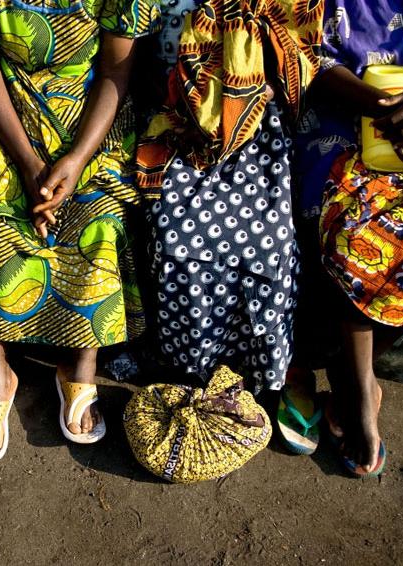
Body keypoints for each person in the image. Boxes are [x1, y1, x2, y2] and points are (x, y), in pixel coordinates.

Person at [0, 0, 160, 462]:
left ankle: (80, 361)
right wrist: (28, 165)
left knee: (101, 217)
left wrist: (76, 159)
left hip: (89, 120)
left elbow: (115, 71)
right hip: (3, 117)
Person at [294, 0, 403, 476]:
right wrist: (385, 109)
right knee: (354, 234)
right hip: (341, 114)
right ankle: (359, 390)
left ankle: (354, 374)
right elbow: (302, 53)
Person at [135, 0, 322, 396]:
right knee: (175, 242)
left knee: (269, 247)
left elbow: (297, 59)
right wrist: (187, 108)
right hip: (176, 125)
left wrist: (236, 105)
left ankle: (255, 373)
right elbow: (136, 59)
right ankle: (187, 368)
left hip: (256, 128)